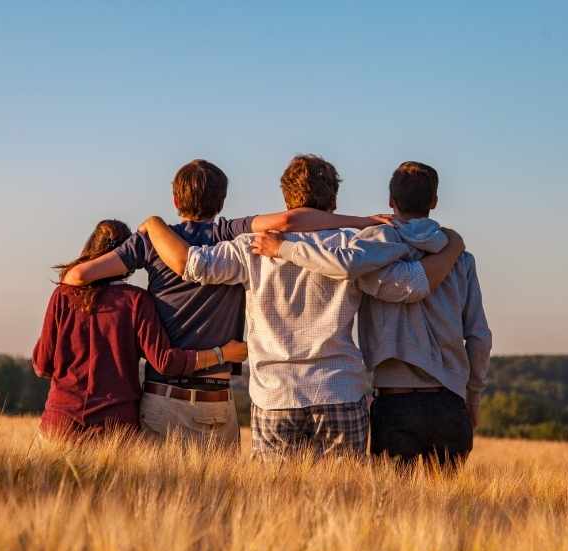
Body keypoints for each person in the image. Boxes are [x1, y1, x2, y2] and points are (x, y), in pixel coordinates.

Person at [137, 155, 465, 458]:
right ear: (333, 200)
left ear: (286, 198)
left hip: (274, 395)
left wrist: (153, 224)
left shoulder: (250, 247)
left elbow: (192, 265)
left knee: (276, 506)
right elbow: (409, 285)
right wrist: (451, 247)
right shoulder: (354, 245)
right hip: (339, 390)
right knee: (343, 503)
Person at [59, 159, 393, 446]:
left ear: (175, 199)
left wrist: (148, 234)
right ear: (222, 200)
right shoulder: (230, 233)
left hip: (167, 397)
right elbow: (291, 222)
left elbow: (77, 277)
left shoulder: (152, 241)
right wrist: (362, 222)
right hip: (224, 399)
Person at [253, 161, 492, 470]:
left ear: (391, 201)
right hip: (450, 400)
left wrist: (285, 249)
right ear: (434, 202)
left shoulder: (370, 250)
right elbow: (479, 337)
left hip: (394, 401)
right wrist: (472, 397)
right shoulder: (461, 259)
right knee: (449, 511)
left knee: (390, 508)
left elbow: (344, 266)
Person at [32, 219, 247, 442]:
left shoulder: (63, 295)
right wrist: (222, 354)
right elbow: (165, 361)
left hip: (60, 423)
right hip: (115, 428)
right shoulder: (136, 301)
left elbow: (42, 364)